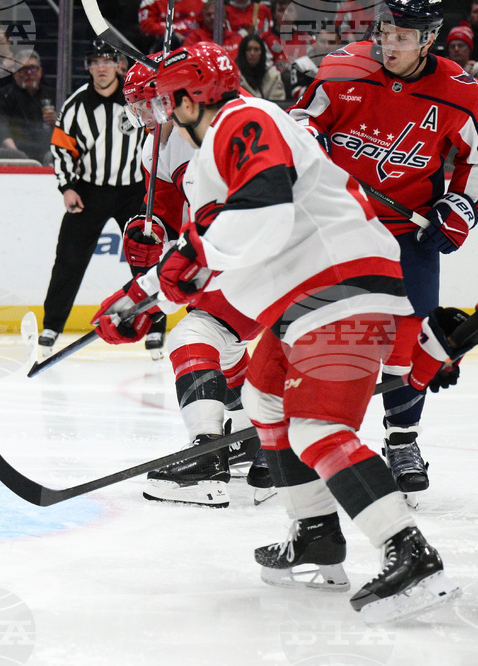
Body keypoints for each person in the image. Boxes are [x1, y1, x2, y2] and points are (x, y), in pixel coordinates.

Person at [128, 41, 459, 623]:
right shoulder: (220, 145)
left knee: (319, 427)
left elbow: (262, 213)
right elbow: (231, 246)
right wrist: (147, 295)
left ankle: (409, 552)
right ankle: (315, 535)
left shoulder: (242, 118)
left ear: (191, 96)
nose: (159, 114)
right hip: (306, 296)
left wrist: (178, 270)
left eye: (166, 99)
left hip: (334, 287)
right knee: (263, 398)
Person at [289, 0, 478, 497]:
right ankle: (303, 435)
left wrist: (460, 205)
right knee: (321, 330)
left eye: (401, 37)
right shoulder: (342, 69)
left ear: (429, 40)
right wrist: (311, 141)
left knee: (408, 338)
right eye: (385, 32)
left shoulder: (459, 92)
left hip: (407, 232)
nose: (388, 44)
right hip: (339, 224)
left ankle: (402, 440)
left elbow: (474, 160)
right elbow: (301, 120)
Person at [95, 54, 268, 508]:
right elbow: (171, 212)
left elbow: (238, 213)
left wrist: (151, 288)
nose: (147, 121)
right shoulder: (162, 142)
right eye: (136, 112)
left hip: (260, 250)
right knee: (222, 343)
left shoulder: (224, 128)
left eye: (150, 107)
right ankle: (256, 440)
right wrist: (152, 236)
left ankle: (212, 457)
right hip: (241, 251)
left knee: (198, 334)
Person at [38, 40, 148, 356]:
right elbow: (60, 149)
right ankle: (52, 327)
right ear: (88, 67)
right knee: (69, 260)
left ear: (118, 65)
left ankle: (154, 329)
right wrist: (67, 187)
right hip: (89, 190)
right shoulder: (75, 106)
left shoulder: (135, 97)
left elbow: (158, 135)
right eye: (95, 61)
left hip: (134, 191)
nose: (101, 67)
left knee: (146, 259)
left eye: (107, 60)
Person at [0, 51, 56, 162]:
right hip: (13, 155)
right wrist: (17, 156)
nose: (29, 73)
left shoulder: (54, 95)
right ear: (15, 73)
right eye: (23, 70)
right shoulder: (2, 96)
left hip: (48, 155)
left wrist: (57, 121)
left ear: (40, 71)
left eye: (33, 68)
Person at [236, 33, 286, 100]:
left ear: (262, 53)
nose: (252, 53)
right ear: (243, 52)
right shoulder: (235, 76)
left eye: (256, 50)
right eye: (248, 49)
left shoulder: (273, 76)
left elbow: (279, 103)